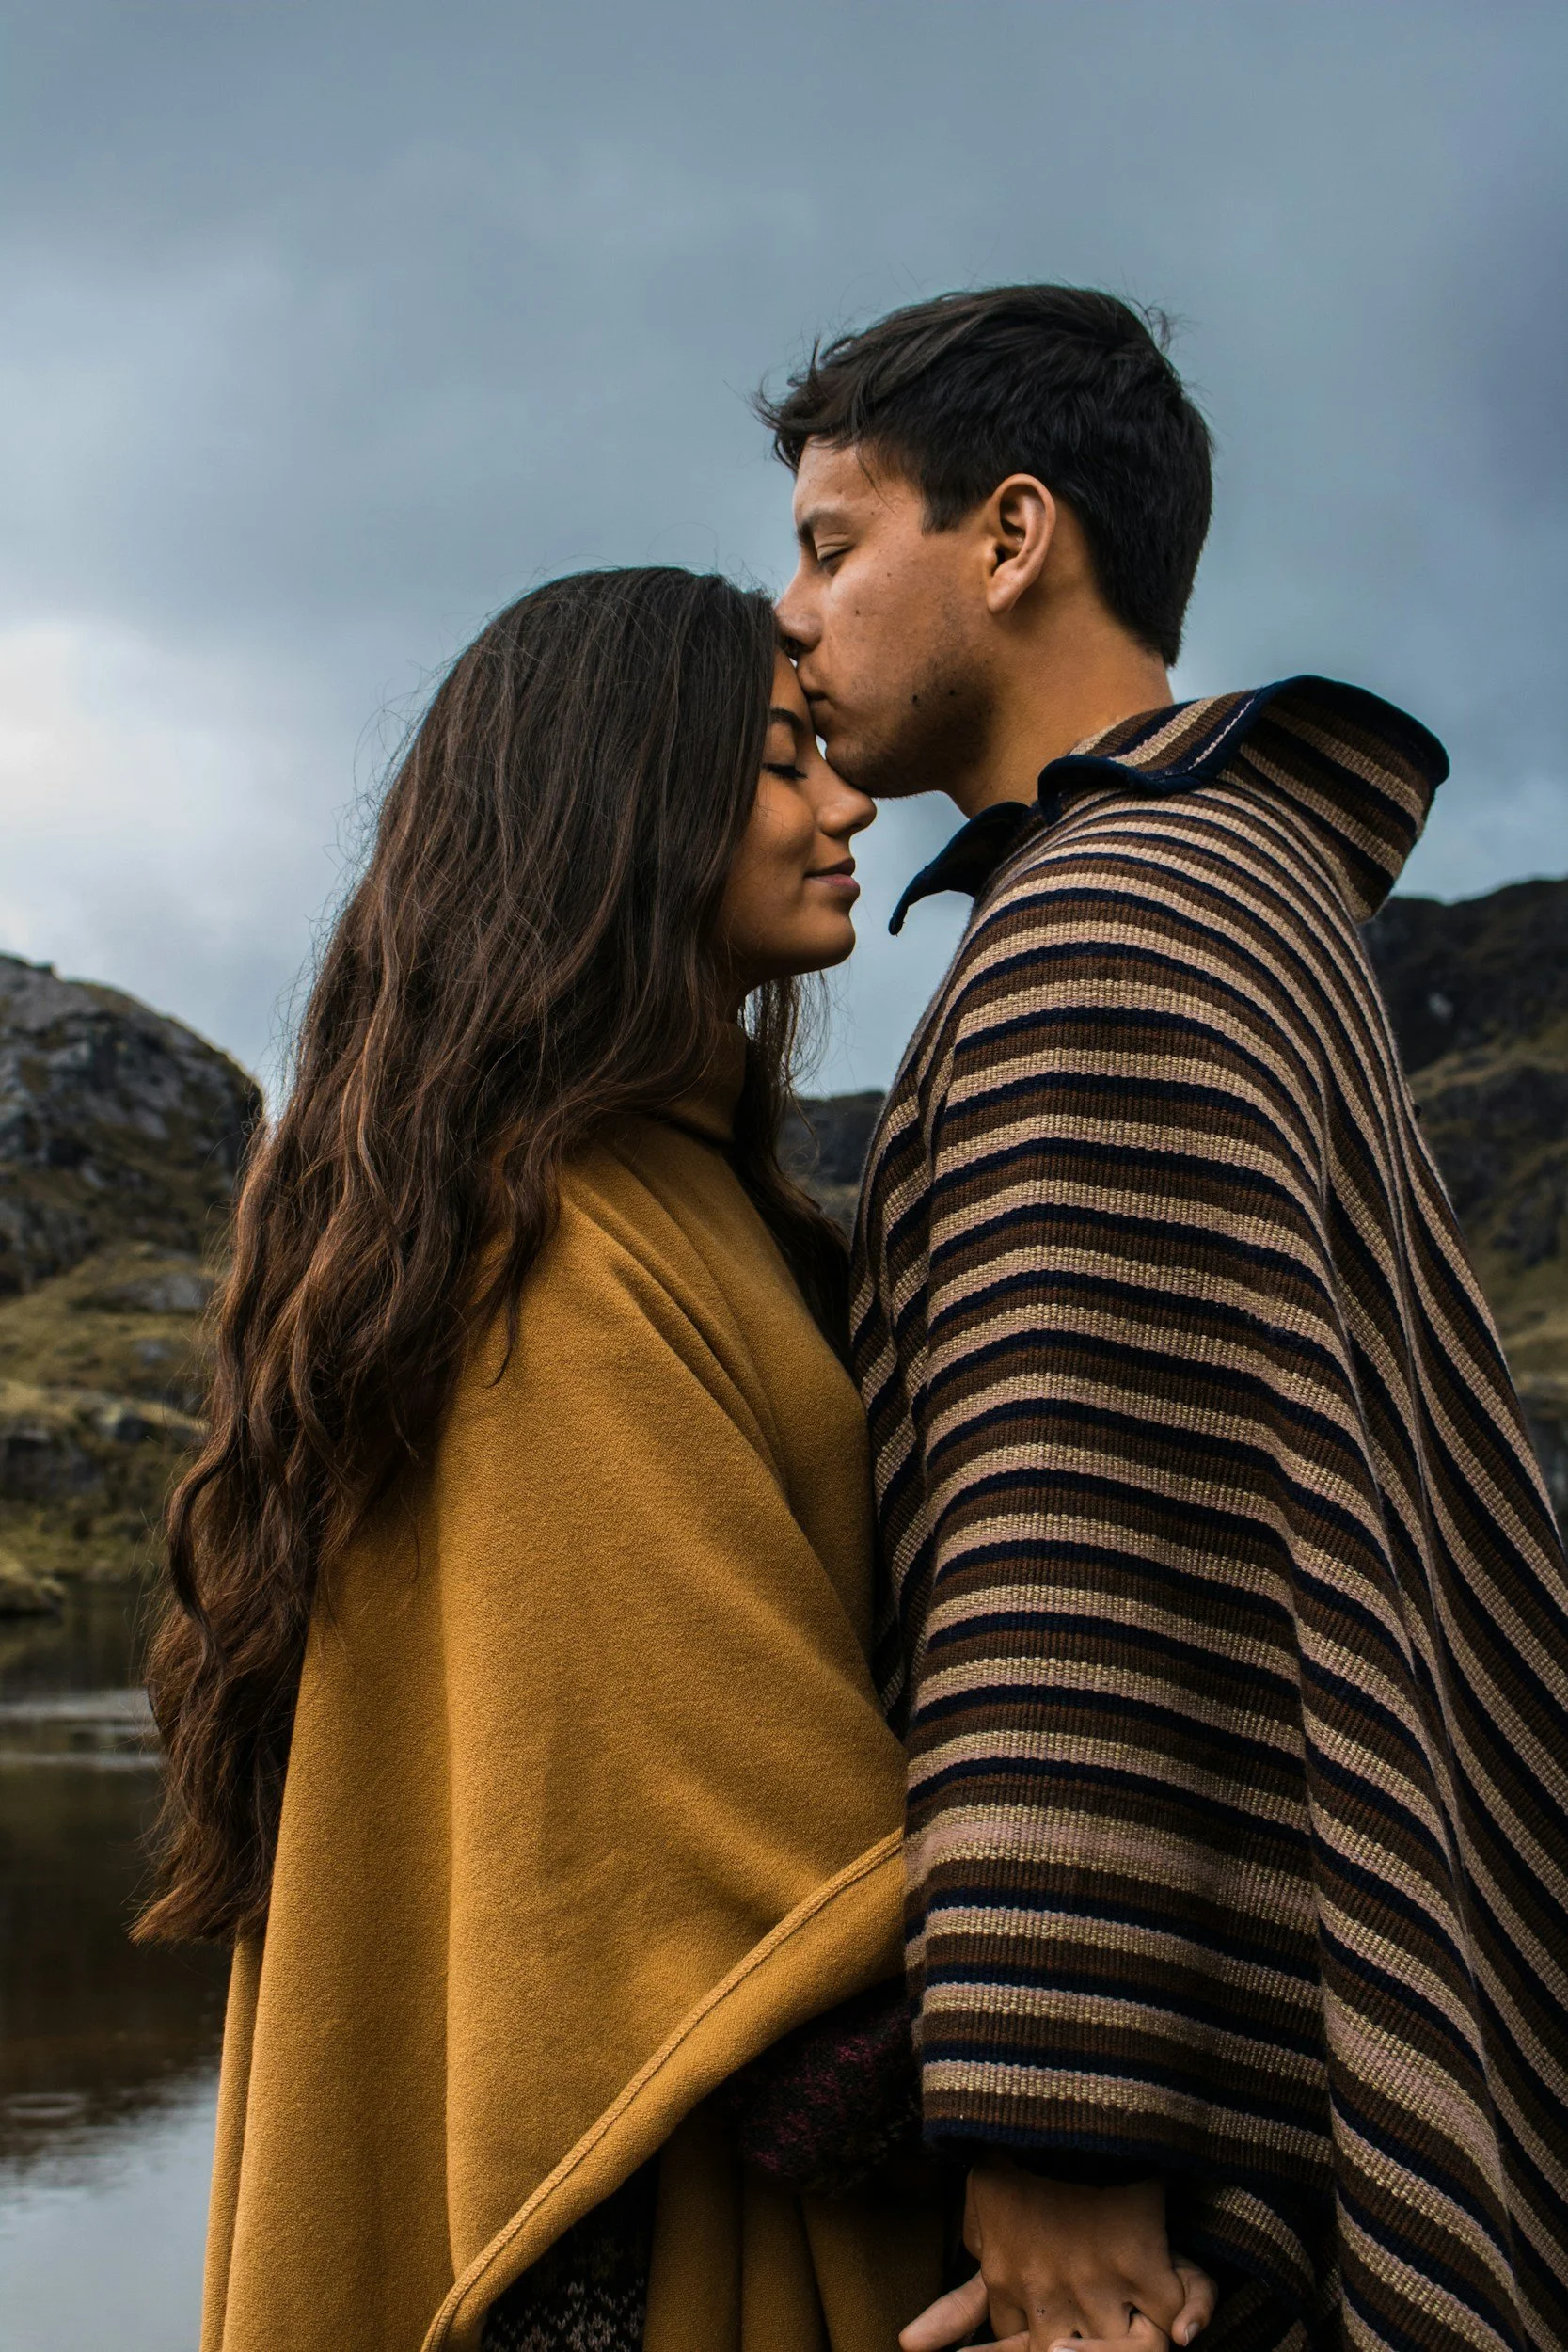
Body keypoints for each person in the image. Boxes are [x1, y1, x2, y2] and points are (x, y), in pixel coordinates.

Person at [764, 285, 1568, 2352]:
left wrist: (1051, 2145)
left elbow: (1069, 1553)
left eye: (831, 543)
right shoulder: (1235, 875)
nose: (791, 612)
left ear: (1011, 536)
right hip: (1252, 2073)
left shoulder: (1106, 918)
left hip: (1149, 2202)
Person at [137, 567, 950, 2352]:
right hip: (633, 2231)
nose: (845, 805)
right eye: (779, 760)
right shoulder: (559, 1244)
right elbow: (727, 1874)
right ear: (621, 805)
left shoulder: (634, 1185)